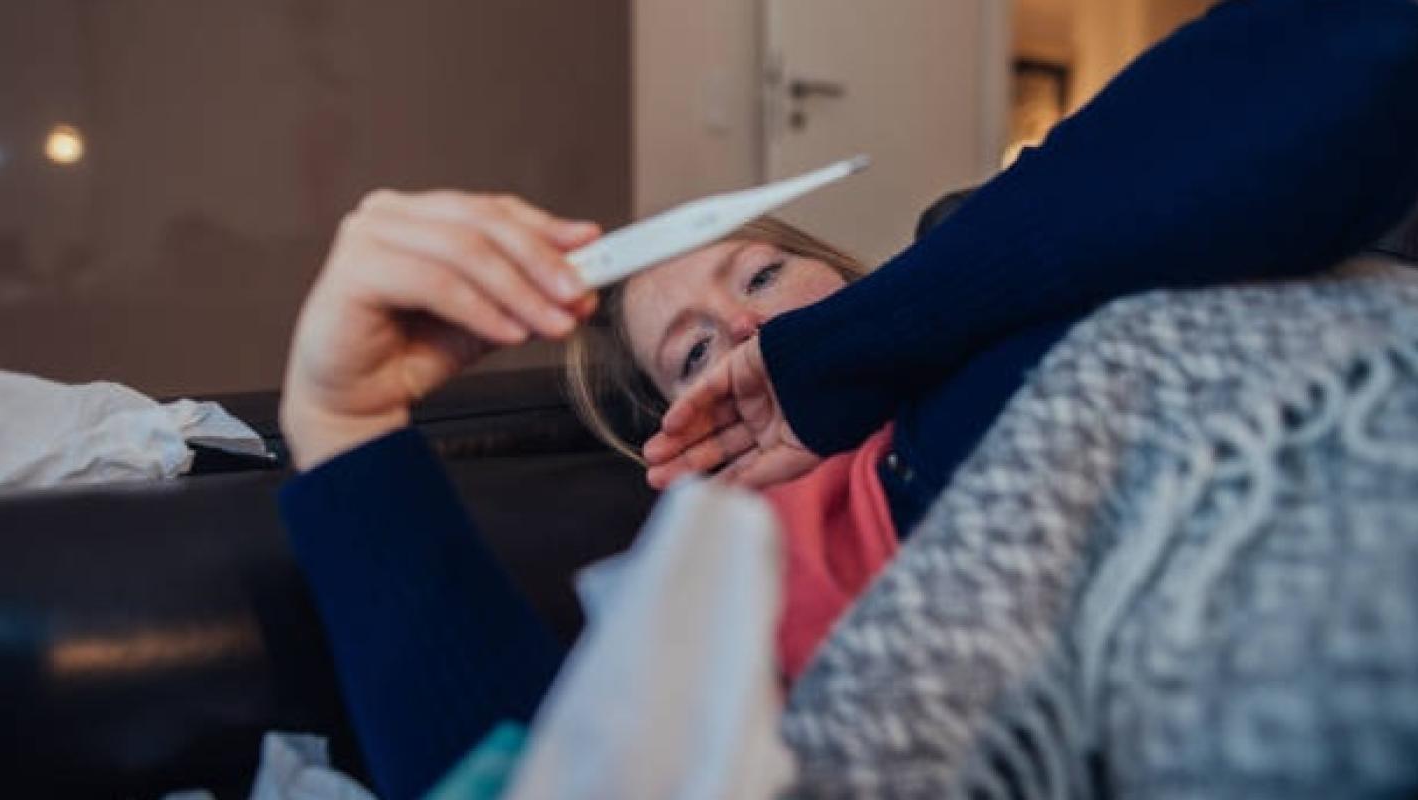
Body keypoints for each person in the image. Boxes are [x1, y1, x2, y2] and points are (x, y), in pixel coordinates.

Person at [278, 0, 1418, 797]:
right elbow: (543, 774)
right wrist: (344, 423)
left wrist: (854, 348)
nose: (749, 331)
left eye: (764, 278)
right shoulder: (747, 572)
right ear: (681, 440)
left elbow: (1351, 54)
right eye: (696, 351)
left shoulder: (988, 263)